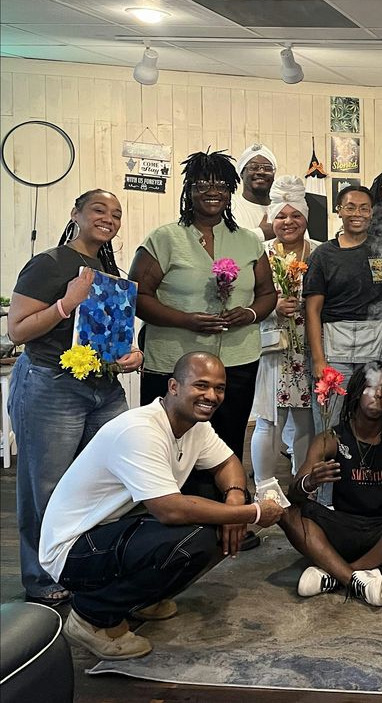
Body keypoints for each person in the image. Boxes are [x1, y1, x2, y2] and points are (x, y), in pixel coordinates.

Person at [39, 352, 284, 660]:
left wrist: (235, 498)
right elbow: (170, 509)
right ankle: (92, 616)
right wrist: (252, 512)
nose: (211, 396)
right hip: (72, 551)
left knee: (215, 516)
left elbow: (227, 463)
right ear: (173, 387)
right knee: (196, 539)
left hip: (111, 530)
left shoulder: (194, 425)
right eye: (201, 385)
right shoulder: (140, 430)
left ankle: (141, 598)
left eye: (219, 388)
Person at [7, 189, 143, 606]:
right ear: (75, 214)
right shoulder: (49, 263)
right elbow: (17, 330)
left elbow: (106, 332)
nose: (108, 219)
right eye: (98, 210)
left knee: (109, 478)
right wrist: (66, 304)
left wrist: (130, 354)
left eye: (116, 214)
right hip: (51, 384)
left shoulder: (109, 270)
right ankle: (41, 576)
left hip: (103, 387)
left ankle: (88, 564)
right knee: (44, 487)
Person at [130, 151, 277, 489]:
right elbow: (137, 297)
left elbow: (268, 293)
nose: (213, 192)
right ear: (189, 190)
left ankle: (227, 507)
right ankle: (169, 510)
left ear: (230, 191)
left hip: (236, 361)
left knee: (227, 438)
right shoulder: (164, 238)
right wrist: (185, 320)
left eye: (221, 185)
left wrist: (250, 313)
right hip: (174, 360)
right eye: (202, 185)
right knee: (168, 443)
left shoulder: (248, 241)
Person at [281, 363, 382, 607]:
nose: (378, 394)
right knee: (285, 510)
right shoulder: (331, 438)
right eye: (371, 386)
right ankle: (354, 579)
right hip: (342, 529)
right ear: (356, 392)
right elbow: (293, 495)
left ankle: (339, 573)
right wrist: (310, 482)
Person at [304, 184, 382, 438]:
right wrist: (318, 360)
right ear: (339, 210)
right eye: (351, 207)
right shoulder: (323, 255)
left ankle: (368, 464)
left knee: (372, 416)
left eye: (364, 208)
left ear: (372, 212)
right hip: (334, 348)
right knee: (330, 421)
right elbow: (312, 310)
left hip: (376, 346)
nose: (358, 214)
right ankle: (328, 466)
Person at [249, 176, 318, 487]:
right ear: (271, 219)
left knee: (306, 420)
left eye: (295, 215)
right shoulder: (258, 253)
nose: (288, 222)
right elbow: (242, 297)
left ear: (306, 217)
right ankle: (264, 488)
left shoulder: (319, 252)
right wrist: (272, 306)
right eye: (281, 216)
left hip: (309, 346)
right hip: (272, 346)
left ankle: (302, 485)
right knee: (268, 420)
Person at [230, 143, 277, 241]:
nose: (261, 172)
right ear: (241, 173)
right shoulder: (229, 206)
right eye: (253, 167)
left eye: (268, 168)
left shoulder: (283, 208)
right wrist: (261, 234)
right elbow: (222, 242)